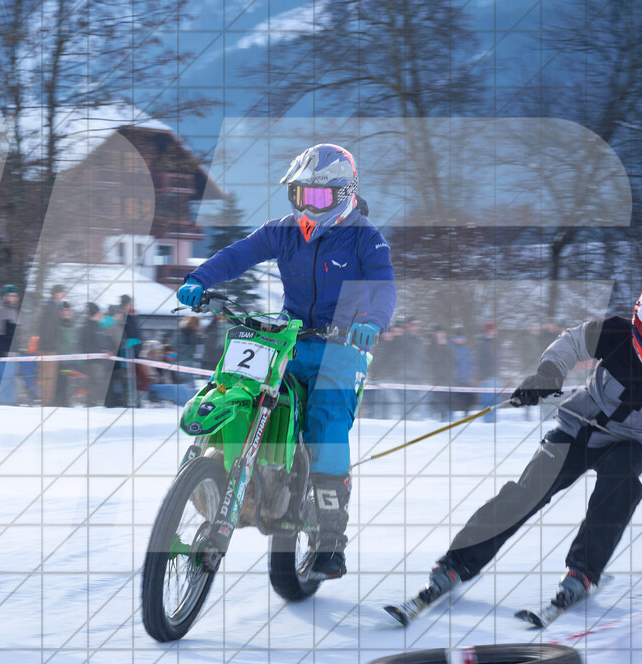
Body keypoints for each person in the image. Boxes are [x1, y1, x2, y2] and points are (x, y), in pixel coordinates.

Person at [177, 143, 396, 580]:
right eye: (299, 195)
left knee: (324, 426)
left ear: (344, 195)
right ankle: (225, 471)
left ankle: (331, 541)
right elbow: (238, 254)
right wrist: (199, 279)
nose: (308, 207)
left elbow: (383, 285)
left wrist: (372, 321)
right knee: (250, 392)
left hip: (342, 347)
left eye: (318, 197)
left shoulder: (365, 237)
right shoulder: (282, 231)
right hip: (291, 339)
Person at [405, 301, 642, 616]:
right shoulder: (616, 332)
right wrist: (548, 373)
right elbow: (571, 341)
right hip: (582, 426)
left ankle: (583, 572)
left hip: (631, 443)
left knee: (620, 486)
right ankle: (457, 562)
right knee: (531, 491)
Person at [37, 284, 66, 406]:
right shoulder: (50, 307)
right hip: (48, 348)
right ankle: (46, 402)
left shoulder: (55, 307)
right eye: (61, 292)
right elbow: (47, 328)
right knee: (48, 378)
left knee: (51, 378)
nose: (63, 295)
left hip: (52, 347)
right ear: (55, 293)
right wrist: (51, 345)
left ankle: (48, 402)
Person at [0, 284, 20, 405]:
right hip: (5, 353)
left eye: (15, 295)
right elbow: (1, 334)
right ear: (5, 297)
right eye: (10, 295)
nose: (13, 298)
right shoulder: (2, 310)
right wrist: (6, 351)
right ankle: (4, 404)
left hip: (12, 352)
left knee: (10, 380)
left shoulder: (13, 310)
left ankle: (10, 403)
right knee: (5, 380)